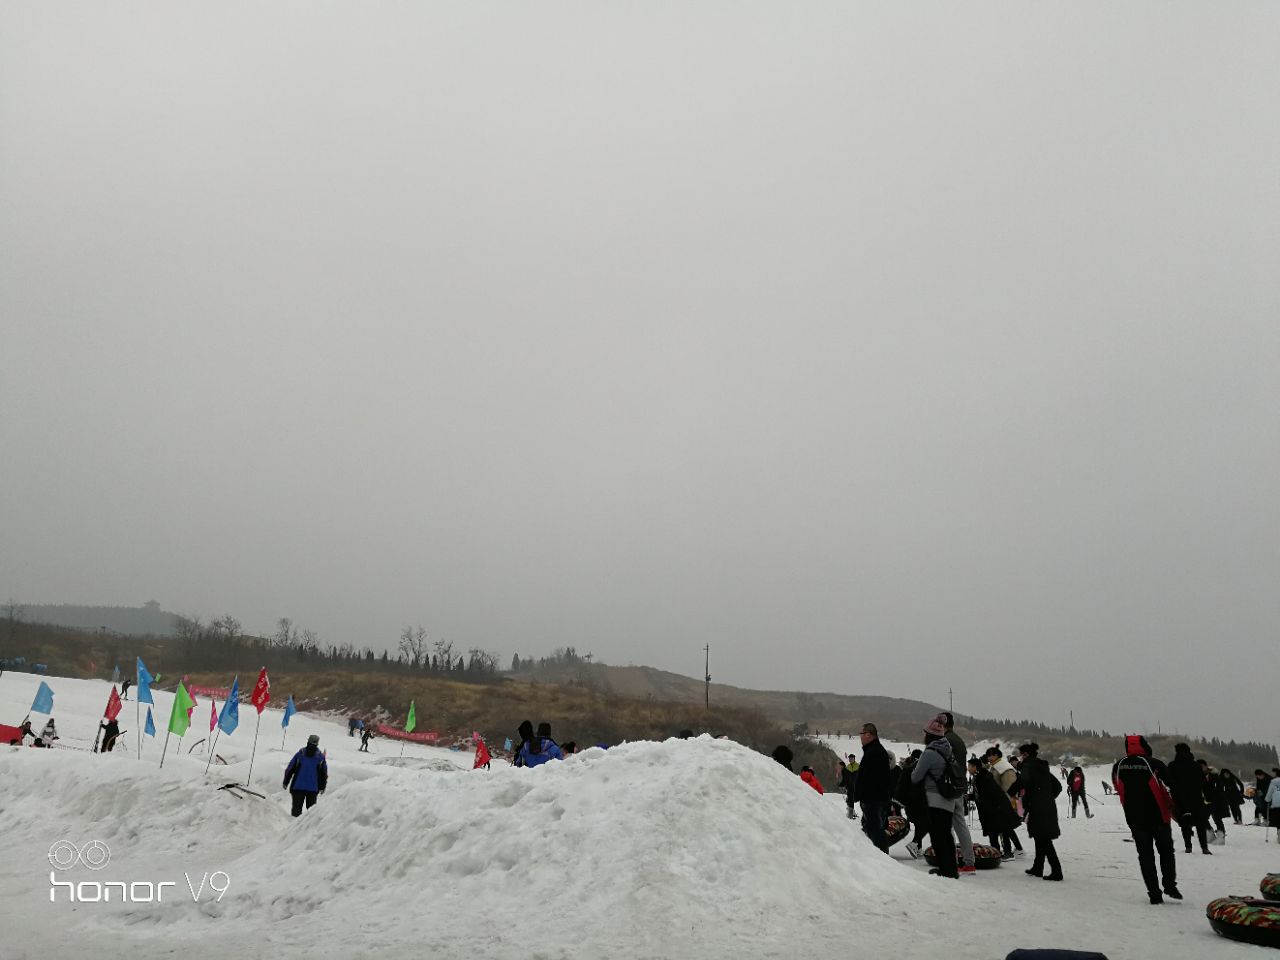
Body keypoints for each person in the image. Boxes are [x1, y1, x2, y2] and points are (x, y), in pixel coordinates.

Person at [1112, 734, 1180, 904]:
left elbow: (1119, 788)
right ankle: (1170, 884)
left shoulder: (1118, 766)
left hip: (1135, 817)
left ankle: (1154, 893)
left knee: (1145, 856)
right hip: (1159, 816)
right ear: (1145, 746)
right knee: (1166, 852)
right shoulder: (1155, 763)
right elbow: (1173, 784)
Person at [926, 714, 975, 874]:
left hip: (946, 788)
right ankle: (969, 862)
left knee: (946, 827)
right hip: (959, 787)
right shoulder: (959, 740)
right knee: (960, 824)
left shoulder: (944, 741)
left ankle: (949, 862)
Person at [911, 733, 959, 878]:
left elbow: (915, 777)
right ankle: (952, 869)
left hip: (933, 799)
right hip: (949, 799)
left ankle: (945, 871)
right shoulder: (948, 752)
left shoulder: (929, 753)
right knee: (947, 836)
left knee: (938, 837)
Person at [1016, 743, 1063, 881]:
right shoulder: (1042, 768)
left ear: (1025, 755)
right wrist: (1047, 798)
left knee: (1044, 839)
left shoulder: (1029, 767)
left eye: (1021, 755)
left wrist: (1011, 792)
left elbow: (1022, 781)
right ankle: (1038, 867)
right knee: (1039, 837)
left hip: (1037, 808)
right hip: (1046, 807)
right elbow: (1057, 786)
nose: (1020, 758)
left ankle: (1057, 871)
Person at [970, 756, 1020, 861]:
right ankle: (996, 852)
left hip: (997, 808)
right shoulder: (979, 777)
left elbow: (989, 794)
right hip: (991, 809)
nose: (968, 769)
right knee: (994, 831)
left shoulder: (984, 777)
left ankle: (1007, 853)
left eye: (969, 766)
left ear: (975, 767)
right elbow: (979, 794)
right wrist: (970, 797)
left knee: (1002, 829)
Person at [854, 723, 892, 853]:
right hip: (875, 798)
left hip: (873, 799)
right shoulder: (875, 750)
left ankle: (882, 859)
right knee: (873, 829)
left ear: (869, 735)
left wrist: (859, 793)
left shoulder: (874, 752)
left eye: (862, 734)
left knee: (875, 831)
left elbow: (868, 778)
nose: (860, 737)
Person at [1167, 743, 1212, 854]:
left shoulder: (1172, 765)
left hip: (1179, 797)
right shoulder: (1195, 765)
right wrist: (1208, 796)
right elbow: (1203, 783)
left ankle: (1188, 847)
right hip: (1196, 797)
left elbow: (1168, 781)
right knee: (1200, 822)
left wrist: (1173, 792)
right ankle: (1204, 848)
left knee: (1185, 822)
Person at [983, 746, 1025, 857]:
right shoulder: (994, 766)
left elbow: (1009, 786)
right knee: (1006, 828)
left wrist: (1004, 801)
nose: (989, 757)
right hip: (997, 803)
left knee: (1005, 828)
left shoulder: (1004, 767)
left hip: (1004, 802)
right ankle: (1017, 848)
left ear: (996, 755)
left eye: (990, 755)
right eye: (988, 755)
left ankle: (1008, 851)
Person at [896, 749, 930, 858]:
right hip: (920, 803)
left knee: (920, 825)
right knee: (926, 824)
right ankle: (914, 843)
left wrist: (903, 803)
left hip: (910, 805)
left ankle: (918, 849)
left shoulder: (906, 770)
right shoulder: (918, 771)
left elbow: (900, 788)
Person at [283, 734, 328, 816]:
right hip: (313, 789)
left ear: (308, 742)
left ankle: (294, 828)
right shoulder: (320, 757)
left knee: (296, 811)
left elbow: (290, 769)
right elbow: (324, 774)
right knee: (310, 814)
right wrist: (322, 786)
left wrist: (286, 781)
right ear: (317, 744)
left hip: (298, 787)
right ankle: (309, 828)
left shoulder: (300, 754)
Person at [838, 753, 860, 820]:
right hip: (850, 787)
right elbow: (845, 779)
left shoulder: (858, 767)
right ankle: (851, 814)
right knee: (850, 800)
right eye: (850, 758)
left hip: (857, 787)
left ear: (854, 759)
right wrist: (841, 784)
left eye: (852, 758)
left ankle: (853, 813)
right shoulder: (847, 768)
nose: (850, 759)